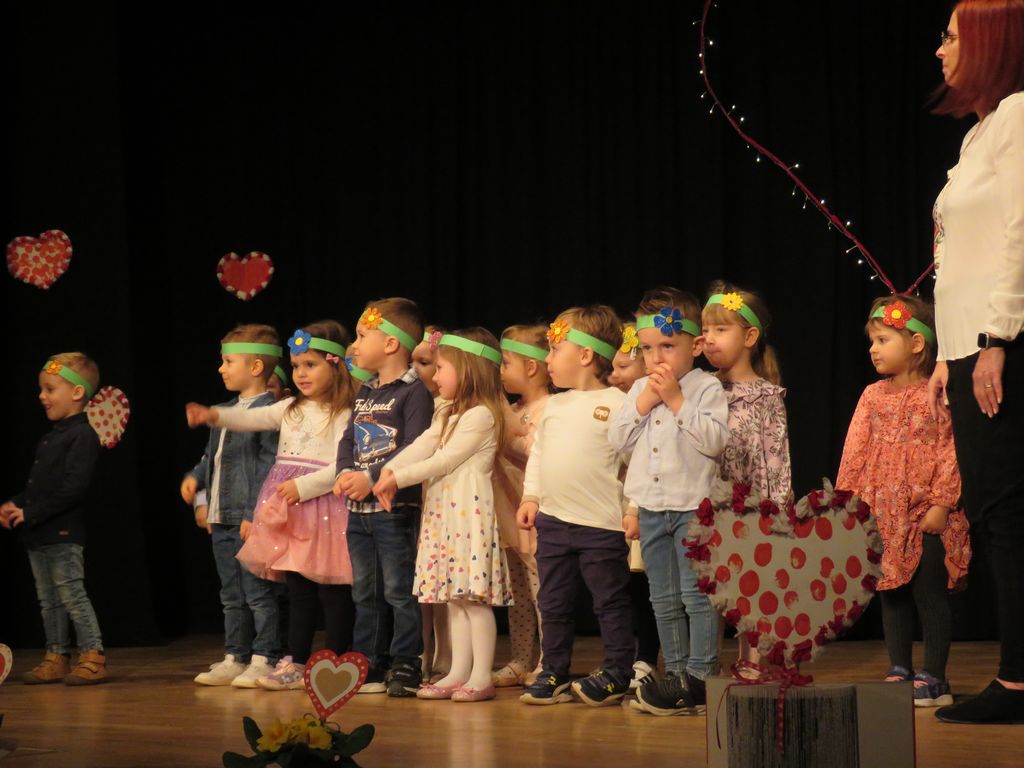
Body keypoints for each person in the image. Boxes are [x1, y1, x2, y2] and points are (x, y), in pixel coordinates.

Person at [928, 0, 1024, 724]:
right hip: (966, 348)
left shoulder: (1019, 115)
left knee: (1006, 515)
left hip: (1001, 345)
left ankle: (1017, 683)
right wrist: (946, 351)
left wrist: (996, 339)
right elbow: (957, 254)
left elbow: (1021, 232)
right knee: (995, 514)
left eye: (953, 36)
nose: (941, 49)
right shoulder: (979, 133)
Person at [186, 321, 356, 691]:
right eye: (296, 366)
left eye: (310, 365)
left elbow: (344, 465)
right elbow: (253, 417)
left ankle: (335, 660)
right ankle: (295, 661)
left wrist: (304, 486)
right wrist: (215, 415)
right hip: (290, 512)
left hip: (324, 509)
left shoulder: (344, 412)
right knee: (298, 589)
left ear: (335, 365)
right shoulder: (290, 407)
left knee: (332, 590)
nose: (301, 374)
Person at [839, 296, 970, 707]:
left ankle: (935, 676)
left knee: (927, 593)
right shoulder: (871, 396)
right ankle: (899, 667)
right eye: (872, 342)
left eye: (882, 340)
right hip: (882, 513)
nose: (872, 349)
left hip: (926, 511)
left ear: (916, 344)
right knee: (890, 592)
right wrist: (849, 504)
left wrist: (942, 504)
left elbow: (951, 449)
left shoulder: (938, 392)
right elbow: (854, 451)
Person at [608, 287, 729, 715]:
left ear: (695, 346)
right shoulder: (640, 389)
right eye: (647, 348)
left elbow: (714, 442)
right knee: (662, 596)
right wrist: (645, 401)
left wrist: (676, 401)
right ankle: (675, 673)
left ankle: (701, 675)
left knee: (696, 595)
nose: (656, 357)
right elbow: (617, 441)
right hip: (652, 508)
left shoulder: (705, 387)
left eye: (667, 346)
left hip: (693, 507)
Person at [374, 328, 512, 702]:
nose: (434, 377)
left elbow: (445, 460)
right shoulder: (447, 411)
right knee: (453, 598)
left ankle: (480, 676)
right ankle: (457, 672)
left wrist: (397, 478)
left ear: (468, 370)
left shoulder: (482, 415)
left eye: (441, 368)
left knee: (473, 600)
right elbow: (424, 444)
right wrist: (388, 470)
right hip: (444, 516)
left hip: (468, 516)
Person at [517, 305, 635, 707]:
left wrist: (633, 508)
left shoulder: (619, 404)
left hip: (602, 524)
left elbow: (636, 462)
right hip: (553, 522)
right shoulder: (555, 406)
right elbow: (539, 455)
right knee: (552, 601)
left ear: (585, 355)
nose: (547, 359)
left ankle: (618, 669)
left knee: (610, 601)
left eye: (554, 350)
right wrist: (531, 496)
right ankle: (554, 670)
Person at [333, 299, 434, 697]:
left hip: (393, 509)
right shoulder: (365, 390)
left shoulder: (414, 393)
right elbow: (348, 439)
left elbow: (414, 446)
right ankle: (369, 660)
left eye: (362, 336)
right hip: (358, 510)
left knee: (398, 589)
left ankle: (406, 661)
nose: (355, 345)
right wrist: (344, 472)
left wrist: (371, 477)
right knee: (365, 590)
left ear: (391, 344)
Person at [180, 324, 282, 687]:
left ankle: (265, 656)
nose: (221, 368)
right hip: (222, 516)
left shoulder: (271, 412)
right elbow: (212, 459)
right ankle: (235, 655)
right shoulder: (221, 411)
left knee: (258, 592)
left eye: (228, 361)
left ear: (255, 367)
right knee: (231, 593)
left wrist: (255, 514)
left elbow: (269, 467)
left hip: (248, 517)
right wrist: (198, 485)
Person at [701, 284, 792, 669]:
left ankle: (751, 660)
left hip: (749, 508)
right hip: (704, 506)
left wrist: (777, 514)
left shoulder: (766, 396)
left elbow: (776, 459)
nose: (709, 338)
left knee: (747, 585)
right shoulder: (699, 388)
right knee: (709, 588)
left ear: (750, 337)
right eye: (705, 330)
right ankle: (702, 664)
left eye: (721, 329)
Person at [2, 353, 106, 685]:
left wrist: (29, 512)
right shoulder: (51, 437)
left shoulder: (83, 435)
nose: (41, 396)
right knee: (48, 600)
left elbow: (72, 489)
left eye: (49, 389)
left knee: (71, 594)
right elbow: (41, 486)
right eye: (41, 389)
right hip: (39, 533)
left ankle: (92, 654)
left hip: (62, 533)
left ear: (76, 392)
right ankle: (57, 655)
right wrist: (17, 503)